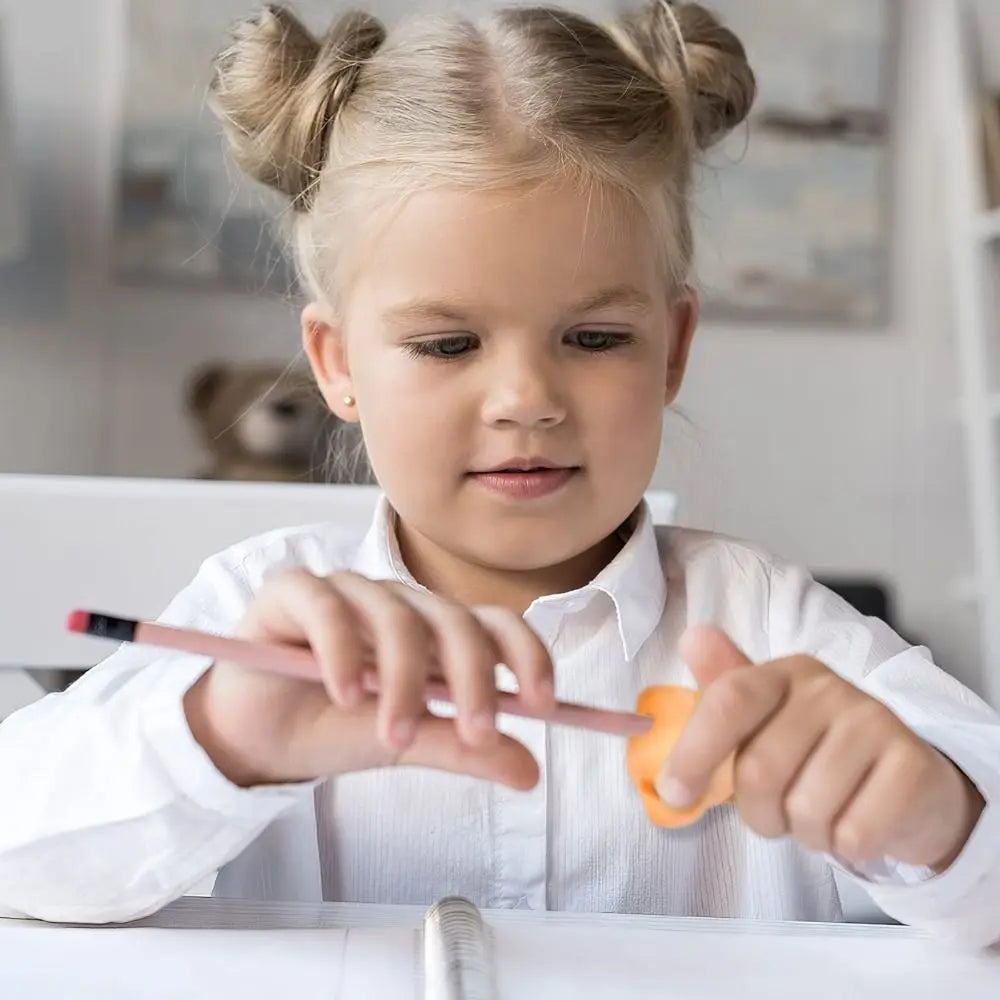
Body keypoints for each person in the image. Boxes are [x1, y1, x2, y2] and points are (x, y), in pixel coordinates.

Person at [1, 1, 997, 946]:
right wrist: (216, 738)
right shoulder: (254, 620)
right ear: (338, 362)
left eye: (595, 335)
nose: (526, 397)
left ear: (672, 346)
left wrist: (934, 814)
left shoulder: (775, 630)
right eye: (446, 344)